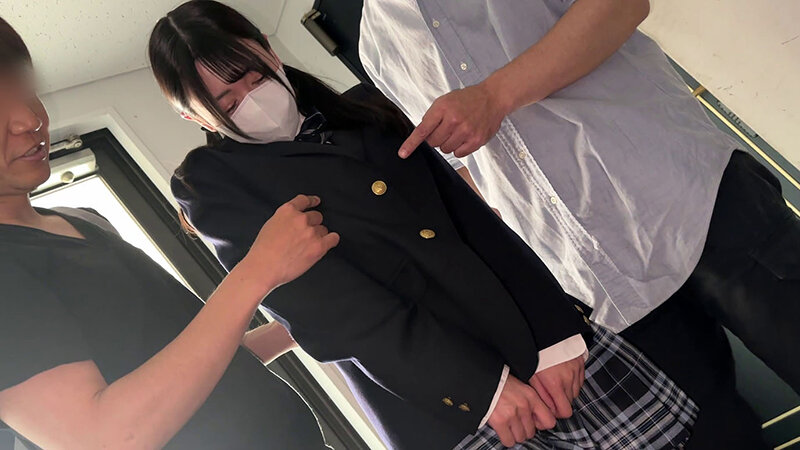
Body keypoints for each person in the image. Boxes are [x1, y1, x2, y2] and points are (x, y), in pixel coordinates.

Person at [149, 2, 715, 449]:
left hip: (535, 339)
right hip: (442, 400)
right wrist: (482, 391)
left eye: (252, 76)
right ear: (190, 114)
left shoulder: (365, 109)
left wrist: (555, 334)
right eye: (227, 100)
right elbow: (333, 312)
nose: (251, 99)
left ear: (267, 48)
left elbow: (477, 226)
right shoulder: (213, 186)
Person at [359, 0, 796, 446]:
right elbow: (468, 172)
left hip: (690, 197)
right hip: (592, 282)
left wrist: (493, 96)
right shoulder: (377, 46)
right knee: (714, 441)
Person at [0, 16, 339, 449]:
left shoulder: (81, 221)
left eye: (26, 91)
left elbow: (188, 382)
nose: (29, 119)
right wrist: (257, 271)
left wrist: (293, 329)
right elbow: (100, 439)